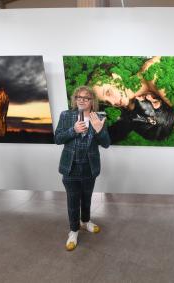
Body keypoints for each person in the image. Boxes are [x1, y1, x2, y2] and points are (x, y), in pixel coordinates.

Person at [54, 85, 110, 251]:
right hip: (70, 167)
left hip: (89, 168)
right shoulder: (66, 115)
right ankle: (73, 231)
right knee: (73, 200)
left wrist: (100, 131)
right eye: (79, 97)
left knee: (87, 198)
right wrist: (73, 130)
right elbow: (58, 138)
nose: (81, 100)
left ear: (92, 101)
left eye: (86, 98)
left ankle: (85, 222)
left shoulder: (99, 117)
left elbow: (106, 144)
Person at [90, 56, 174, 143]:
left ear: (116, 77)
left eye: (108, 92)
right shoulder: (130, 106)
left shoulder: (155, 78)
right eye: (107, 102)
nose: (113, 103)